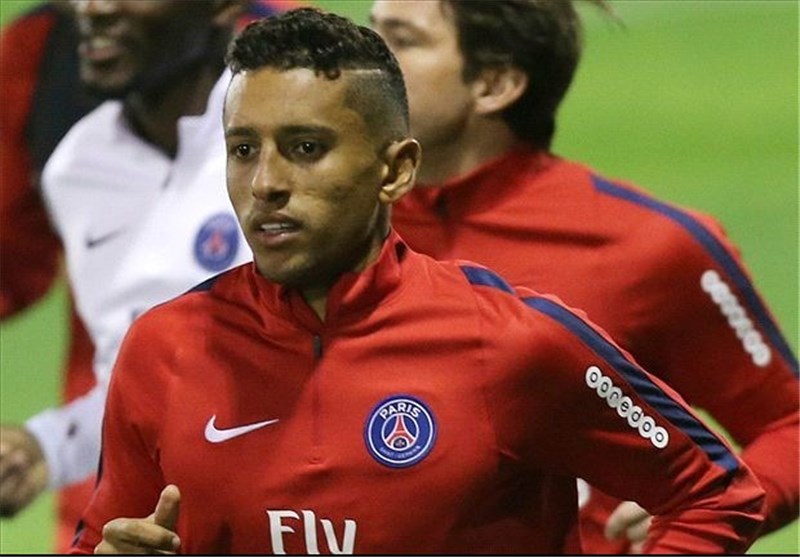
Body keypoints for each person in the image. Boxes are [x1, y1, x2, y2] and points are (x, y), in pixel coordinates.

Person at [70, 8, 767, 554]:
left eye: (306, 148)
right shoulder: (164, 348)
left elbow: (714, 496)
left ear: (395, 170)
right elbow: (104, 535)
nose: (265, 183)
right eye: (244, 149)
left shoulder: (512, 343)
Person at [367, 0, 799, 552]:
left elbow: (790, 425)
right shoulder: (324, 231)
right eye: (369, 32)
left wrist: (701, 510)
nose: (364, 64)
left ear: (495, 83)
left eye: (402, 41)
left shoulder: (645, 245)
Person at [0, 0, 315, 547]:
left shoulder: (298, 131)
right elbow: (141, 386)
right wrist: (47, 447)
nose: (94, 8)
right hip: (155, 523)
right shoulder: (77, 169)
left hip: (309, 511)